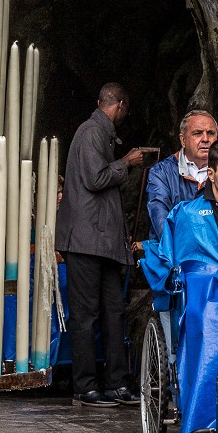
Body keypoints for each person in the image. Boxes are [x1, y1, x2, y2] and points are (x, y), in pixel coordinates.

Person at [55, 83, 148, 409]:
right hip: (85, 240)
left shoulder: (99, 131)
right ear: (120, 105)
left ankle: (118, 383)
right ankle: (85, 386)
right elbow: (95, 179)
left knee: (114, 311)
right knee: (85, 315)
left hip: (104, 242)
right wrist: (127, 162)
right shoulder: (92, 131)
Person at [146, 109, 218, 240]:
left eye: (211, 133)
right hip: (176, 252)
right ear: (183, 140)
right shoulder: (161, 172)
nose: (206, 139)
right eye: (198, 133)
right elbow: (160, 218)